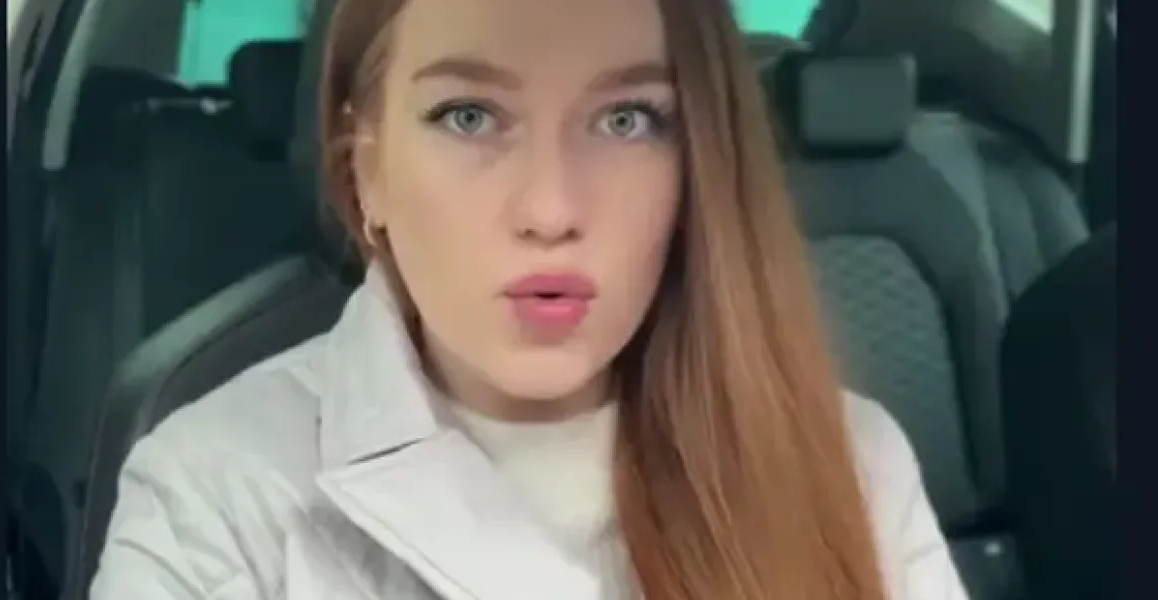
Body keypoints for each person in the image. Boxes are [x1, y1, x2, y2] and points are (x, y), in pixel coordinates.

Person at [91, 0, 968, 598]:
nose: (551, 209)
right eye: (469, 116)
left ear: (696, 167)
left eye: (625, 120)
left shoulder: (851, 461)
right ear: (366, 171)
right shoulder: (213, 493)